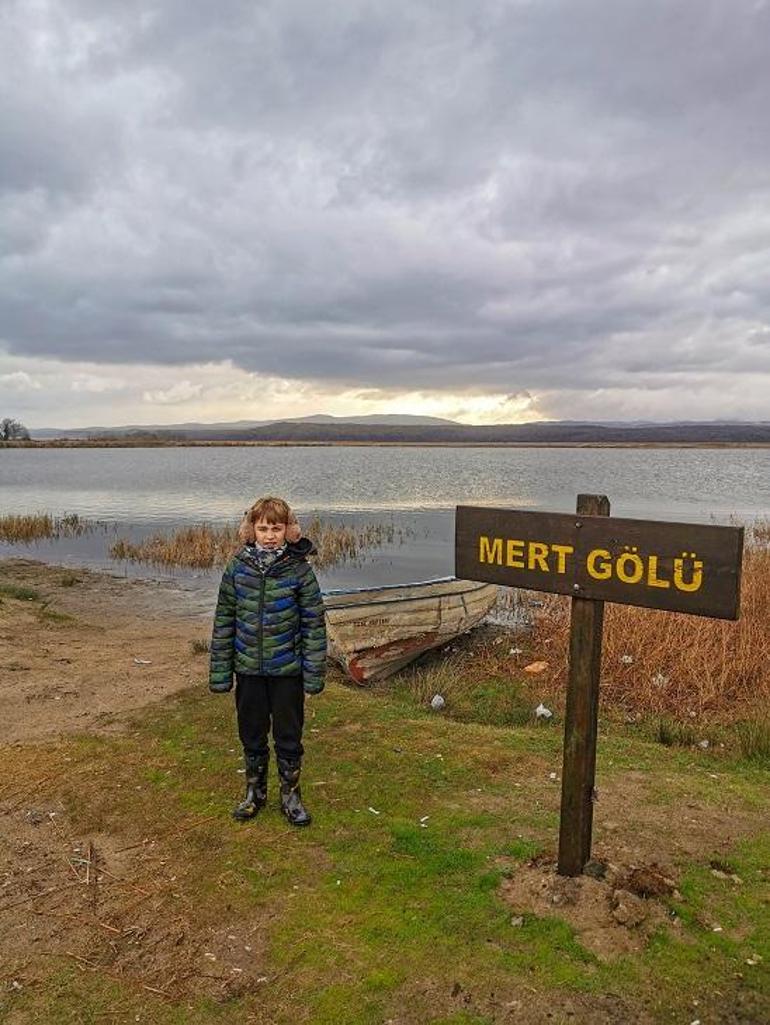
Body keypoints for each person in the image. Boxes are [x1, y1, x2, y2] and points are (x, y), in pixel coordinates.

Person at [209, 496, 326, 826]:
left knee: (289, 735)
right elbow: (224, 621)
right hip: (248, 670)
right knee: (252, 733)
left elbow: (313, 624)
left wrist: (313, 674)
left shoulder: (300, 571)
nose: (270, 535)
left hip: (287, 671)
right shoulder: (237, 568)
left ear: (289, 531)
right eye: (263, 528)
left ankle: (291, 797)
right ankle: (254, 793)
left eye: (276, 528)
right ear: (251, 530)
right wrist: (220, 674)